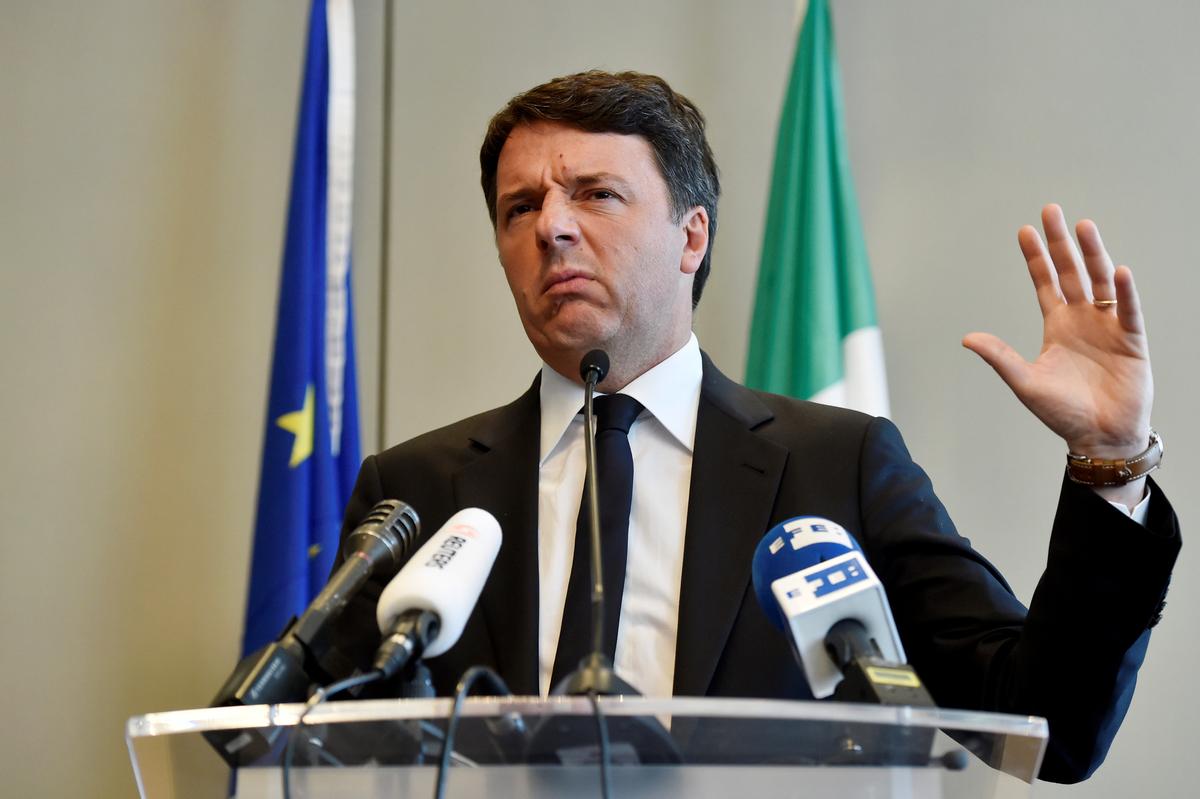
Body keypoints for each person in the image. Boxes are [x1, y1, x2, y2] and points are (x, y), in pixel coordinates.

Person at [329, 71, 1179, 783]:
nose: (551, 227)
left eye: (596, 194)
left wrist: (1109, 459)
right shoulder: (417, 488)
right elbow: (314, 739)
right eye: (520, 209)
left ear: (691, 235)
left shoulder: (837, 464)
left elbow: (1047, 724)